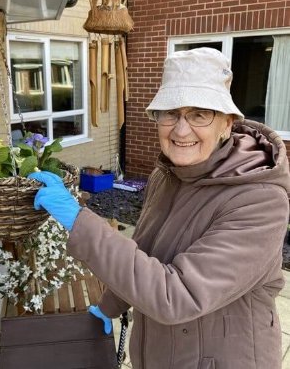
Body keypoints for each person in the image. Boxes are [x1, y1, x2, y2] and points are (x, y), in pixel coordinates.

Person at [29, 47, 290, 369]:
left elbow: (177, 296)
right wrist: (109, 304)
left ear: (227, 123)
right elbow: (145, 253)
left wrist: (79, 220)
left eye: (199, 114)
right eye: (170, 113)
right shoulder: (167, 175)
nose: (181, 130)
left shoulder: (259, 200)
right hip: (160, 349)